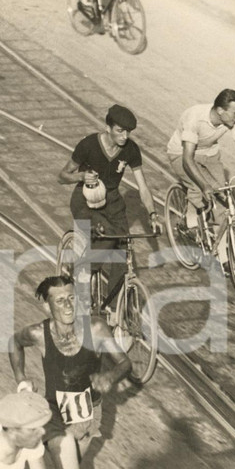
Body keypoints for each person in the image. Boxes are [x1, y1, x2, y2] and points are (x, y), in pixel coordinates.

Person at [9, 274, 132, 469]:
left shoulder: (96, 329)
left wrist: (110, 376)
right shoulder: (38, 334)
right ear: (47, 305)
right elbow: (13, 342)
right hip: (55, 418)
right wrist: (21, 378)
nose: (67, 305)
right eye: (59, 300)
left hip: (87, 419)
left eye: (71, 298)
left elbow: (125, 363)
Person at [57, 105, 159, 313]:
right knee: (108, 237)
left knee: (123, 248)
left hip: (112, 200)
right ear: (108, 128)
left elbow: (143, 187)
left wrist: (153, 214)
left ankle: (114, 309)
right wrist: (81, 176)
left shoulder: (131, 150)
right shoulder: (88, 145)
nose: (124, 136)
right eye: (120, 131)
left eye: (128, 132)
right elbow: (62, 176)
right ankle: (79, 271)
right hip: (85, 199)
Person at [165, 90, 235, 264]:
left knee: (223, 202)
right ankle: (189, 223)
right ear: (220, 111)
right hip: (181, 153)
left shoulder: (233, 120)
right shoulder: (195, 118)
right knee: (198, 187)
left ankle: (222, 257)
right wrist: (204, 185)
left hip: (209, 154)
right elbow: (188, 159)